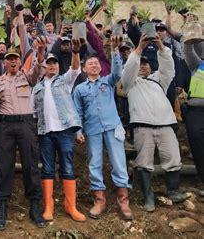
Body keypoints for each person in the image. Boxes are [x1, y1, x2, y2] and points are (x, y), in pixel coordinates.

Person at [121, 34, 187, 212]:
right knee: (144, 162)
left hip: (166, 124)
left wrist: (161, 47)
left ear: (151, 66)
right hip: (142, 126)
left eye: (145, 64)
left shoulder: (159, 80)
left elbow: (168, 67)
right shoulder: (130, 82)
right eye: (139, 64)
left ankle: (173, 190)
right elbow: (128, 69)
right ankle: (148, 196)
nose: (142, 66)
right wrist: (139, 49)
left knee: (173, 158)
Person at [73, 36, 133, 220]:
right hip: (93, 130)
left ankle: (124, 202)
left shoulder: (108, 81)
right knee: (95, 164)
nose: (94, 65)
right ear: (84, 69)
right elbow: (77, 112)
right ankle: (99, 200)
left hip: (113, 128)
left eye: (96, 63)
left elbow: (117, 72)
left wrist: (115, 52)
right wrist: (78, 130)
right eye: (90, 63)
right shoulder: (80, 89)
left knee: (119, 163)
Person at [0, 37, 48, 230]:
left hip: (25, 124)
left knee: (30, 166)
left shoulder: (27, 77)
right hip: (6, 127)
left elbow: (39, 71)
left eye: (16, 58)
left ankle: (34, 207)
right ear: (4, 62)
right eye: (9, 59)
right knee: (4, 167)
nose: (13, 61)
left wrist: (40, 52)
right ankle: (1, 208)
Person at [32, 39, 86, 223]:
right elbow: (33, 111)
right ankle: (49, 207)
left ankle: (71, 206)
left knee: (68, 167)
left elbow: (76, 69)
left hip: (64, 131)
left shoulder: (65, 81)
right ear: (44, 66)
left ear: (57, 66)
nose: (52, 66)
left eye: (54, 63)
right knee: (47, 169)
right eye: (49, 63)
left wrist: (76, 52)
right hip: (45, 132)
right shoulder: (37, 87)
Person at [183, 39, 204, 194]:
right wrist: (191, 32)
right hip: (195, 112)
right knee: (197, 147)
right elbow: (188, 50)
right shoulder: (198, 64)